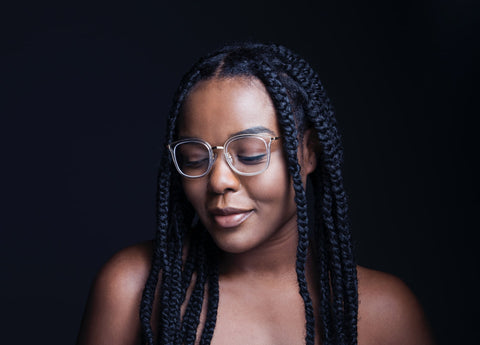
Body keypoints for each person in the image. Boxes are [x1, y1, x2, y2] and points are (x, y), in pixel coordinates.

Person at [76, 42, 435, 345]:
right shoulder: (133, 288)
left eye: (248, 154)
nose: (219, 181)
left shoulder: (383, 313)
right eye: (195, 158)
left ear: (307, 152)